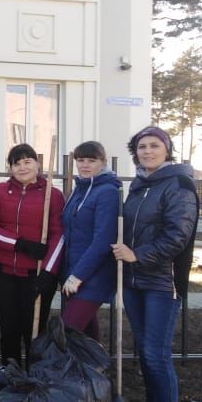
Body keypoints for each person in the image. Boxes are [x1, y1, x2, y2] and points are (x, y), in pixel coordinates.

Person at [112, 126, 198, 402]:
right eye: (141, 147)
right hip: (135, 281)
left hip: (163, 282)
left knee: (156, 354)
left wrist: (137, 254)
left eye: (154, 146)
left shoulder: (178, 184)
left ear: (167, 149)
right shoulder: (140, 185)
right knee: (146, 353)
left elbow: (178, 235)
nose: (147, 151)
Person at [0, 143, 65, 367]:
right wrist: (20, 244)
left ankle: (33, 376)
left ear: (37, 164)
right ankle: (11, 374)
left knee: (34, 329)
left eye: (27, 162)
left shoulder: (53, 195)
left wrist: (48, 272)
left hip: (35, 274)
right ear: (10, 168)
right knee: (9, 328)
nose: (22, 167)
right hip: (4, 272)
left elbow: (59, 235)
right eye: (16, 163)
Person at [60, 141, 121, 342]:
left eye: (91, 160)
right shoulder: (79, 189)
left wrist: (78, 275)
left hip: (93, 276)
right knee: (86, 335)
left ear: (102, 163)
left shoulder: (107, 192)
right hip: (74, 271)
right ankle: (95, 369)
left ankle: (73, 371)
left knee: (67, 332)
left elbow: (103, 240)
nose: (85, 165)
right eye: (81, 160)